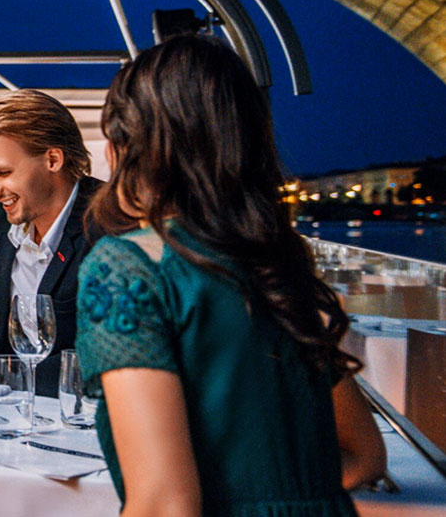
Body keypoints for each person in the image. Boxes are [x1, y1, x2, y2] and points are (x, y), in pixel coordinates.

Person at [77, 35, 385, 516]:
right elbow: (365, 456)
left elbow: (164, 503)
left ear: (130, 146)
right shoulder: (278, 262)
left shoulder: (127, 266)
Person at [0, 90, 101, 396]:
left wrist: (12, 382)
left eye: (2, 172)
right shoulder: (1, 222)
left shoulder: (110, 225)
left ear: (52, 159)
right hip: (3, 418)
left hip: (75, 424)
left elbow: (108, 357)